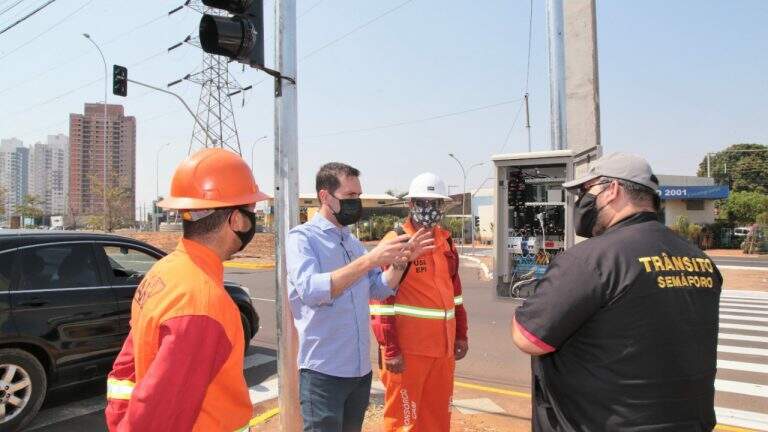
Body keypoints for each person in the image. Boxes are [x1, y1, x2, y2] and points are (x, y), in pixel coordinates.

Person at [511, 152, 722, 431]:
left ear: (612, 190)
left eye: (586, 191)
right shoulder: (699, 259)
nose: (580, 202)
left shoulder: (591, 260)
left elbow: (529, 338)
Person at [105, 148, 269, 432]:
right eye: (252, 211)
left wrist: (120, 423)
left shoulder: (163, 270)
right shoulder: (204, 302)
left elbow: (126, 369)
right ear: (237, 220)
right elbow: (160, 416)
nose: (253, 220)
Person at [286, 162, 435, 432]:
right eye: (350, 196)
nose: (357, 203)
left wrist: (402, 261)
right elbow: (311, 290)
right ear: (325, 196)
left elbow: (378, 288)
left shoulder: (352, 243)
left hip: (358, 373)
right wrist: (369, 260)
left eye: (359, 196)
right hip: (323, 373)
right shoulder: (303, 239)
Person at [370, 172, 469, 431]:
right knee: (404, 423)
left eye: (436, 204)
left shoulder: (445, 241)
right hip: (408, 352)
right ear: (411, 205)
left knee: (437, 420)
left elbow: (455, 294)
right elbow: (380, 301)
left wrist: (461, 334)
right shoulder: (396, 241)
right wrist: (390, 349)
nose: (430, 209)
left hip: (443, 351)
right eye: (424, 203)